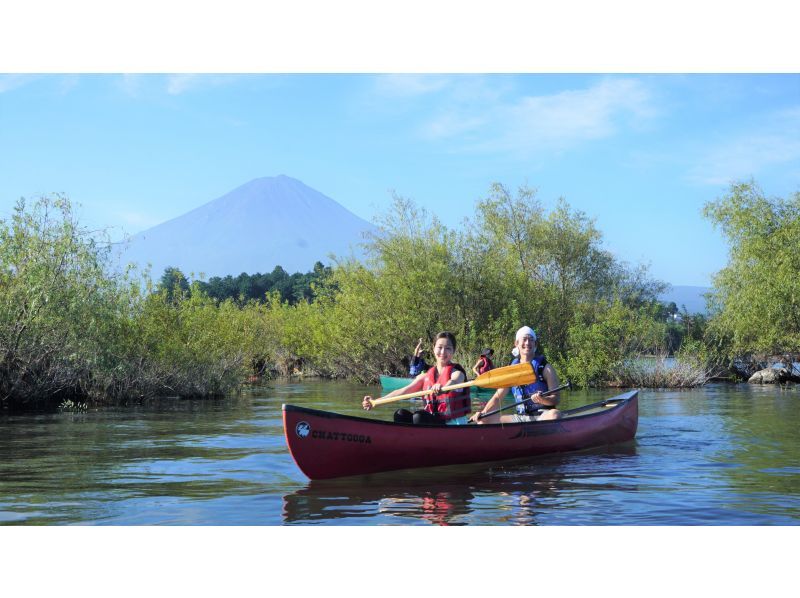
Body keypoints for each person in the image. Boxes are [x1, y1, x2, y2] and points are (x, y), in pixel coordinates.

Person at [363, 331, 471, 425]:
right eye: (440, 347)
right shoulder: (425, 376)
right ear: (433, 349)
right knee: (400, 414)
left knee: (419, 416)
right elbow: (402, 392)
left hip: (451, 424)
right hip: (433, 421)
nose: (443, 352)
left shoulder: (457, 373)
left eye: (448, 348)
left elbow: (454, 382)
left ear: (453, 351)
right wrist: (375, 402)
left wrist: (443, 387)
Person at [470, 326, 561, 424]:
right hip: (521, 417)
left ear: (535, 344)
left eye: (531, 340)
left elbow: (556, 399)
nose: (527, 343)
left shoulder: (546, 368)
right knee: (483, 421)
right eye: (524, 339)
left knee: (554, 415)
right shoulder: (512, 370)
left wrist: (542, 400)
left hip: (543, 416)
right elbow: (497, 397)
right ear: (516, 343)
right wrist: (483, 413)